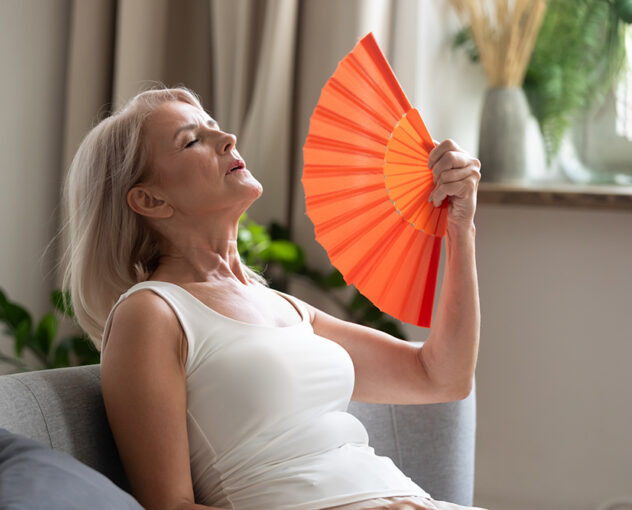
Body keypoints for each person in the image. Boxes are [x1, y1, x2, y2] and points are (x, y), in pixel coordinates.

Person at [62, 86, 484, 510]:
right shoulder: (152, 313)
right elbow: (171, 507)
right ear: (150, 200)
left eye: (214, 127)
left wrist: (459, 228)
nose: (227, 138)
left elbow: (441, 376)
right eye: (192, 141)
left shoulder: (283, 307)